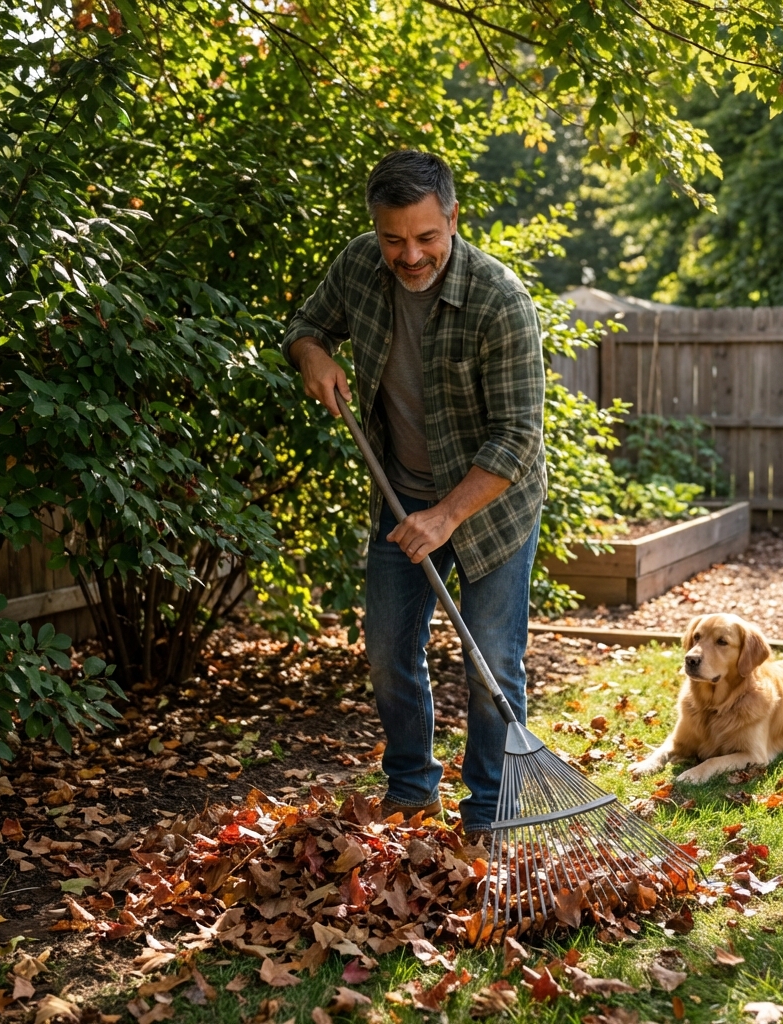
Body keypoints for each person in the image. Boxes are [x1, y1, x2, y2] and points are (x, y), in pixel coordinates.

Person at [282, 150, 545, 843]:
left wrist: (446, 516)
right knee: (388, 651)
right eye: (393, 239)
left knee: (493, 658)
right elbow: (304, 325)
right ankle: (410, 790)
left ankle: (489, 810)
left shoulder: (500, 300)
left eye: (426, 237)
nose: (410, 254)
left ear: (453, 219)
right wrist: (314, 353)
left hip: (489, 511)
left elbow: (516, 438)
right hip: (401, 502)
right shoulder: (360, 265)